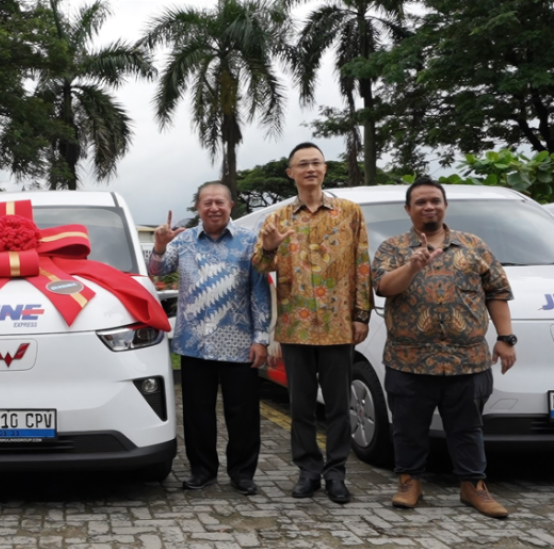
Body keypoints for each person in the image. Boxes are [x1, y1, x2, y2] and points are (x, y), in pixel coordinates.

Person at [372, 178, 514, 518]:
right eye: (420, 202)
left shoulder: (473, 245)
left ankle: (473, 486)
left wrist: (506, 338)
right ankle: (410, 483)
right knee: (408, 427)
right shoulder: (392, 248)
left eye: (434, 200)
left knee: (467, 428)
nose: (428, 207)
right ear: (408, 210)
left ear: (445, 205)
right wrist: (411, 265)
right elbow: (383, 287)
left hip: (467, 361)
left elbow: (497, 293)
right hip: (409, 360)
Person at [251, 142, 373, 504]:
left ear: (324, 169)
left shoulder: (350, 213)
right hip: (295, 327)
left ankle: (336, 472)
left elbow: (362, 264)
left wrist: (361, 315)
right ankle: (308, 470)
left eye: (316, 163)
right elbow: (260, 267)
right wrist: (270, 248)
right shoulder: (276, 219)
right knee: (301, 406)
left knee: (338, 405)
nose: (310, 169)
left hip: (338, 326)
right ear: (291, 173)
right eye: (302, 164)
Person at [150, 182, 271, 494]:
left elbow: (260, 291)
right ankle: (202, 471)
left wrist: (261, 338)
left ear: (231, 205)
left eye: (219, 202)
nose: (213, 208)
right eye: (207, 203)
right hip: (194, 344)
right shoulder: (185, 240)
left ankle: (243, 474)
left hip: (239, 343)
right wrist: (160, 246)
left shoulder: (249, 242)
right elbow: (158, 272)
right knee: (197, 412)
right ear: (198, 208)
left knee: (242, 413)